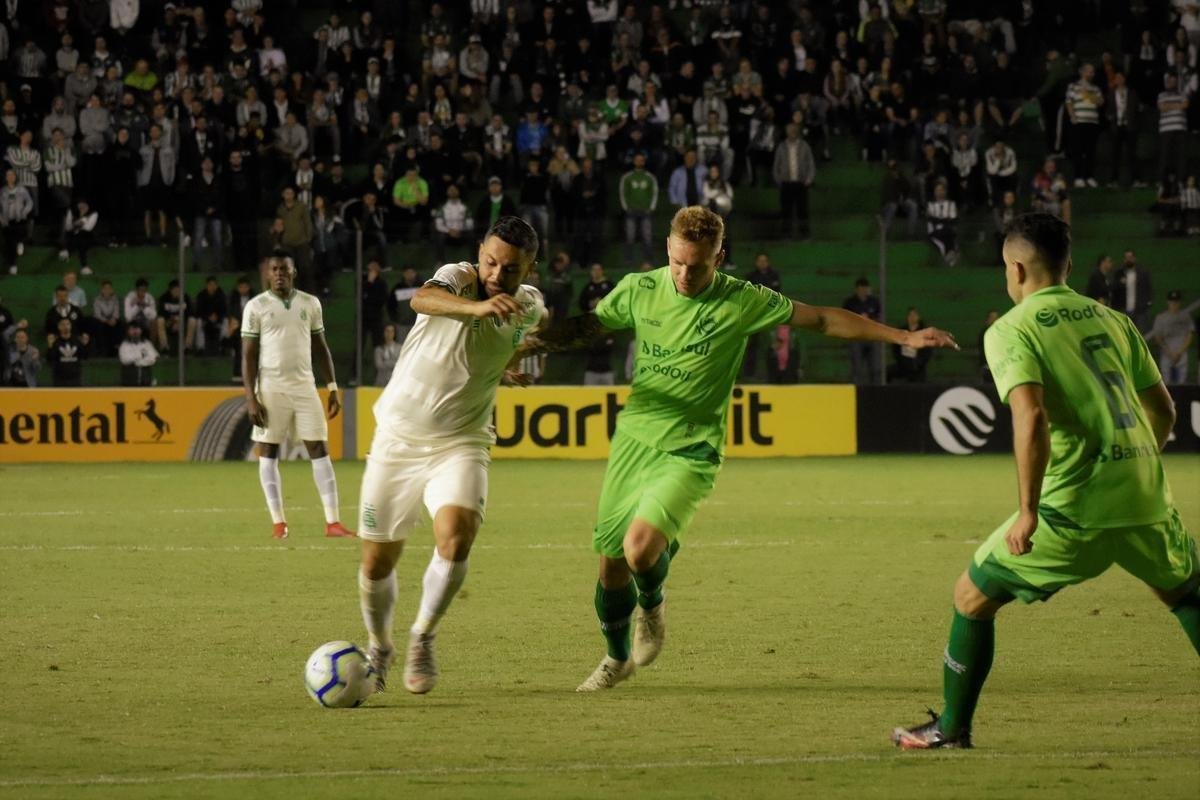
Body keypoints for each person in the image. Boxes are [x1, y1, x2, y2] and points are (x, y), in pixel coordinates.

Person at [528, 206, 957, 691]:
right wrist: (531, 344)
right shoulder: (638, 289)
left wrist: (902, 336)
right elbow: (589, 327)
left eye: (699, 265)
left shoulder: (744, 299)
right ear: (667, 249)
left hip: (693, 447)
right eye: (678, 263)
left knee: (639, 549)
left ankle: (652, 606)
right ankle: (616, 658)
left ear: (720, 258)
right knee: (609, 564)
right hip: (634, 440)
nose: (686, 275)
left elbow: (821, 321)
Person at [892, 212, 1198, 750]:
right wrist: (1134, 457)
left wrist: (1028, 510)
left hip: (1074, 507)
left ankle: (951, 728)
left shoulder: (1012, 328)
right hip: (1146, 491)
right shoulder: (1113, 319)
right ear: (1068, 266)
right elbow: (1165, 412)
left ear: (1013, 267)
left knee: (971, 597)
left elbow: (1030, 416)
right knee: (1185, 595)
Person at [356, 217, 545, 696]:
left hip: (463, 440)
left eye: (511, 269)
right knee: (377, 561)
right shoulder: (458, 278)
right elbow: (423, 299)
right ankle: (380, 645)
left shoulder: (528, 305)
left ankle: (422, 635)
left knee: (457, 536)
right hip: (399, 437)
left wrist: (508, 365)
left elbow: (508, 339)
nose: (497, 274)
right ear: (479, 251)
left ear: (531, 268)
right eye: (491, 261)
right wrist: (479, 307)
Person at [242, 252, 354, 540]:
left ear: (294, 273)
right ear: (267, 274)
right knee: (268, 451)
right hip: (270, 387)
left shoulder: (310, 303)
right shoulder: (256, 307)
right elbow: (248, 356)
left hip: (305, 387)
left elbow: (321, 347)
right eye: (274, 269)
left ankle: (333, 523)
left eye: (284, 269)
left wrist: (331, 387)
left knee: (319, 448)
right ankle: (279, 523)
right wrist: (251, 398)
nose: (279, 273)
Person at [773, 123, 815, 238]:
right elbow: (776, 165)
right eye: (790, 130)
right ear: (786, 132)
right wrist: (779, 180)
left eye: (794, 130)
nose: (792, 132)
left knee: (802, 210)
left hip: (801, 183)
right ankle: (786, 234)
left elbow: (810, 163)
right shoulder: (781, 147)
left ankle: (804, 234)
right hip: (786, 184)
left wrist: (809, 179)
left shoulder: (804, 146)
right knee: (786, 210)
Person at [1147, 290, 1195, 385]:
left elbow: (1190, 335)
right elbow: (1158, 337)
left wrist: (1180, 352)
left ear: (1179, 302)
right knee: (1166, 383)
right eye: (1172, 301)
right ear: (1168, 302)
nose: (1174, 304)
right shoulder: (1161, 317)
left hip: (1181, 353)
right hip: (1167, 353)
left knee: (1182, 384)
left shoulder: (1185, 316)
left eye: (1176, 301)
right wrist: (1169, 352)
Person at [619, 152, 657, 268]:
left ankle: (648, 260)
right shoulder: (627, 177)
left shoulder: (650, 177)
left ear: (644, 162)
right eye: (637, 160)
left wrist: (651, 207)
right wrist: (626, 207)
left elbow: (654, 192)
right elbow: (623, 193)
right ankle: (628, 260)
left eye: (641, 160)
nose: (639, 162)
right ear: (634, 161)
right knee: (630, 236)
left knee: (647, 236)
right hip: (631, 211)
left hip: (646, 211)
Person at [843, 277, 883, 385]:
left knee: (875, 368)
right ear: (856, 289)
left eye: (865, 288)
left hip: (872, 337)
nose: (863, 290)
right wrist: (858, 320)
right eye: (861, 288)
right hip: (856, 337)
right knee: (857, 369)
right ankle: (856, 392)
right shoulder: (850, 303)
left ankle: (876, 392)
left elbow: (879, 319)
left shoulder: (874, 302)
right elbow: (844, 320)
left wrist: (869, 320)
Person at [887, 307, 934, 383]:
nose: (912, 317)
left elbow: (928, 352)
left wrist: (918, 363)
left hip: (918, 366)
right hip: (903, 364)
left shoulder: (924, 332)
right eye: (910, 315)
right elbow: (895, 348)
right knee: (888, 372)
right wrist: (901, 360)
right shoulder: (902, 331)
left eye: (914, 315)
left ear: (918, 317)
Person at [1, 168, 33, 275]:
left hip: (19, 219)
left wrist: (24, 212)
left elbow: (29, 202)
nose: (10, 177)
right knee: (9, 244)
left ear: (15, 177)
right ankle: (13, 265)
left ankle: (21, 242)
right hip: (7, 221)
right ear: (5, 178)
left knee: (18, 236)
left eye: (12, 175)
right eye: (8, 175)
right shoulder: (3, 191)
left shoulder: (22, 189)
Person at [1111, 250, 1154, 332]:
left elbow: (1149, 289)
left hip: (1140, 311)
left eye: (1130, 257)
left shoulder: (1143, 273)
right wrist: (1120, 282)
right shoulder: (1118, 273)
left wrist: (1148, 303)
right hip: (1124, 310)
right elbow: (1113, 289)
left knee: (1141, 333)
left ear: (1134, 259)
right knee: (1124, 332)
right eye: (1126, 258)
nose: (1128, 259)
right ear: (1124, 259)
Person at [47, 317, 88, 386]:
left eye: (68, 324)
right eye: (63, 324)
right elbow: (50, 359)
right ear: (59, 327)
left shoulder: (77, 341)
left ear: (71, 326)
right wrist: (50, 345)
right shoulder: (55, 342)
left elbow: (85, 357)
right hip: (59, 379)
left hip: (75, 378)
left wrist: (85, 345)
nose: (65, 326)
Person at [61, 200, 99, 273]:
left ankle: (67, 251)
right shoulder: (72, 212)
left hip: (88, 237)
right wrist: (77, 223)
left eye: (84, 205)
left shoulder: (93, 213)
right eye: (80, 205)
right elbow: (68, 227)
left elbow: (88, 228)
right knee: (79, 239)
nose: (82, 207)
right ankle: (84, 266)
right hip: (74, 236)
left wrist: (79, 222)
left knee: (82, 237)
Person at [194, 276, 227, 356]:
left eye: (214, 285)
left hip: (218, 320)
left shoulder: (222, 296)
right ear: (206, 285)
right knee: (198, 322)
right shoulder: (201, 296)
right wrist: (208, 317)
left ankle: (224, 347)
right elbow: (198, 311)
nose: (212, 287)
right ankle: (200, 348)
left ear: (217, 286)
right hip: (205, 319)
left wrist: (217, 318)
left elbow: (224, 311)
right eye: (210, 285)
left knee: (226, 321)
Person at [118, 321, 157, 386]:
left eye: (137, 329)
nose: (135, 331)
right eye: (132, 329)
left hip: (145, 382)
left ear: (141, 330)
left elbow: (152, 359)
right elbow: (125, 360)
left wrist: (137, 362)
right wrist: (141, 355)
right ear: (128, 331)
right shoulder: (124, 345)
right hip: (129, 383)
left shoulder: (147, 343)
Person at [92, 280, 122, 356]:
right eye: (105, 288)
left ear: (112, 290)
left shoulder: (115, 299)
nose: (107, 290)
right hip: (101, 321)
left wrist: (113, 319)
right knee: (97, 324)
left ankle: (116, 348)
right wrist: (106, 321)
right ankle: (102, 350)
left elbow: (116, 312)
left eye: (109, 288)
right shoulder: (97, 300)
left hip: (112, 320)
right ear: (101, 290)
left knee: (119, 324)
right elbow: (97, 314)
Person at [374, 322, 402, 387]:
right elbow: (379, 365)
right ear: (384, 333)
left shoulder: (400, 348)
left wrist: (386, 362)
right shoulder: (378, 350)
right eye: (387, 331)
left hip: (396, 382)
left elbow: (401, 364)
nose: (389, 334)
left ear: (394, 333)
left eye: (392, 331)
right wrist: (394, 362)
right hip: (381, 383)